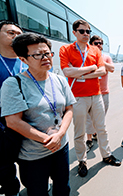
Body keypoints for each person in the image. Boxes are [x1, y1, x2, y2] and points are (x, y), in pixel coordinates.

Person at [1, 33, 76, 195]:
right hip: (33, 154)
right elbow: (13, 122)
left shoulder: (59, 80)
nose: (45, 58)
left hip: (61, 146)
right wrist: (46, 139)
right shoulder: (13, 84)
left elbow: (69, 109)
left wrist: (60, 134)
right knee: (37, 191)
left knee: (63, 187)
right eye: (37, 55)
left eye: (48, 53)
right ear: (23, 59)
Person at [59, 19, 120, 177]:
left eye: (88, 31)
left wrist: (80, 72)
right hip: (78, 97)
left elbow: (102, 71)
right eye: (82, 31)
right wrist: (91, 68)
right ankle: (82, 160)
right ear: (74, 32)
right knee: (80, 132)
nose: (86, 34)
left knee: (102, 128)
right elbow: (66, 72)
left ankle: (106, 155)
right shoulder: (65, 49)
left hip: (96, 95)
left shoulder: (95, 50)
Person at [0, 20, 24, 196]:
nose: (16, 36)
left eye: (19, 34)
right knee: (5, 167)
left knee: (30, 162)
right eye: (11, 33)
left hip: (27, 121)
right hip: (2, 126)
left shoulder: (28, 61)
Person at [85, 35, 114, 152]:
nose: (99, 45)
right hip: (90, 93)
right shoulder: (87, 57)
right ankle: (89, 139)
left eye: (100, 43)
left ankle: (95, 132)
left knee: (100, 116)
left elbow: (111, 68)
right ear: (91, 44)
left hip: (104, 93)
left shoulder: (106, 57)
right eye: (96, 43)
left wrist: (100, 61)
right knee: (88, 117)